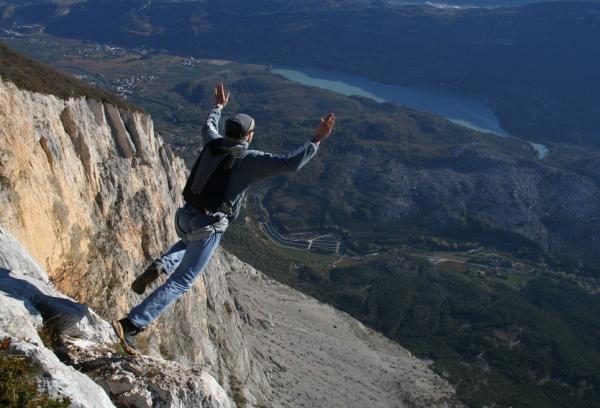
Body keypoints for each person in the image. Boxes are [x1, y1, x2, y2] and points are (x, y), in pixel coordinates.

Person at [112, 83, 336, 354]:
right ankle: (133, 323)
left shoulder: (212, 142)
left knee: (187, 244)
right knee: (182, 281)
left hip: (185, 216)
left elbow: (208, 124)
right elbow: (289, 163)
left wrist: (218, 106)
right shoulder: (249, 159)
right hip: (208, 226)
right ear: (248, 136)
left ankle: (162, 263)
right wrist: (317, 139)